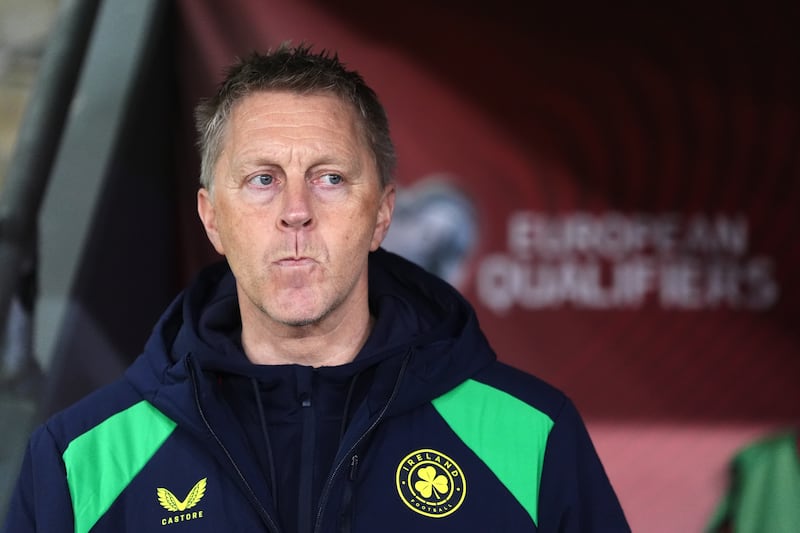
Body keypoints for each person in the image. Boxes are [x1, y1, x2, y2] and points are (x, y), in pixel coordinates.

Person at [2, 44, 629, 532]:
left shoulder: (532, 436)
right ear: (211, 218)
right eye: (262, 179)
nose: (296, 212)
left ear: (382, 214)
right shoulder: (80, 460)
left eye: (329, 178)